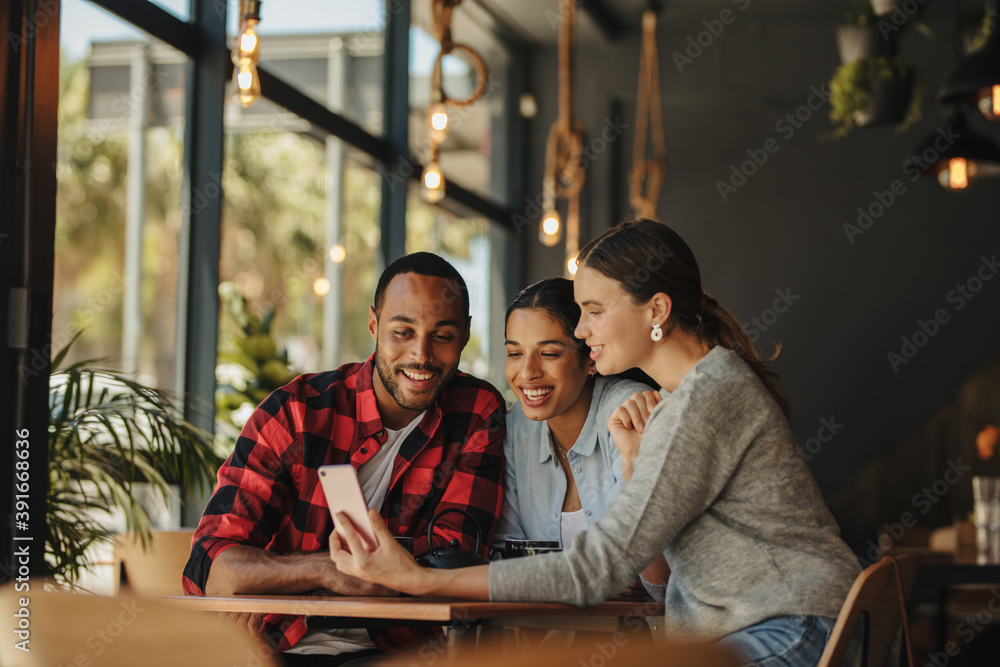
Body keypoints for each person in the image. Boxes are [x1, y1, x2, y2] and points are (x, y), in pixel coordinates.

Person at [327, 220, 861, 667]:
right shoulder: (696, 394)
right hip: (781, 626)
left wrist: (417, 581)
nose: (581, 330)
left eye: (595, 311)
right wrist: (634, 462)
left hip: (790, 630)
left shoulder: (704, 401)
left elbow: (593, 570)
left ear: (655, 311)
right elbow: (650, 579)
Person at [182, 252, 506, 666]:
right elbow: (209, 566)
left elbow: (456, 558)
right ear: (374, 325)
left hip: (400, 655)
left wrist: (270, 576)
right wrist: (322, 569)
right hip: (275, 651)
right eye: (402, 331)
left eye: (442, 336)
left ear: (464, 335)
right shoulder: (296, 413)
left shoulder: (477, 411)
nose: (421, 355)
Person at [496, 277, 668, 601]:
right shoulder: (516, 426)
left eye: (548, 353)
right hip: (550, 641)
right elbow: (508, 558)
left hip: (649, 643)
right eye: (515, 353)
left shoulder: (631, 413)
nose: (527, 371)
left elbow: (659, 581)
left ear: (590, 358)